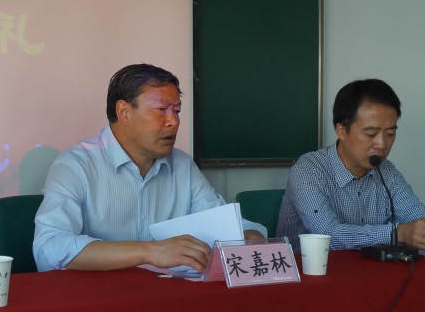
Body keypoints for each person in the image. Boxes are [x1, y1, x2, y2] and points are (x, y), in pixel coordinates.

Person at [33, 63, 266, 272]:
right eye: (162, 110)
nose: (173, 121)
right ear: (124, 112)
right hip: (99, 297)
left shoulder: (182, 165)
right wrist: (150, 251)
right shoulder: (76, 165)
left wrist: (250, 236)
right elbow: (49, 248)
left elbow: (221, 221)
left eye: (177, 111)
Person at [276, 78, 425, 251]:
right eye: (371, 134)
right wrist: (397, 234)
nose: (381, 144)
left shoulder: (387, 171)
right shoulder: (308, 170)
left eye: (390, 134)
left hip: (370, 267)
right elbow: (328, 235)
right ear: (341, 131)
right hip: (311, 267)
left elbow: (417, 215)